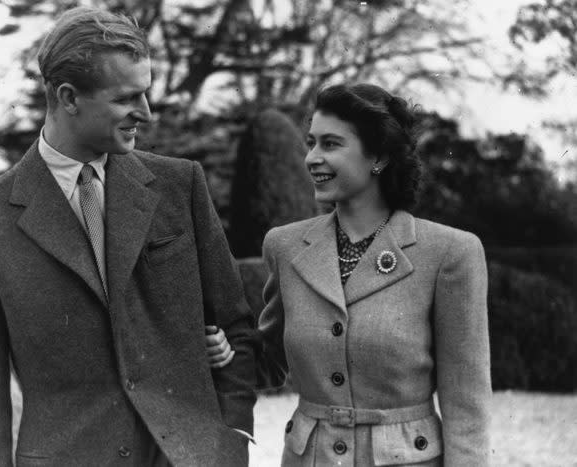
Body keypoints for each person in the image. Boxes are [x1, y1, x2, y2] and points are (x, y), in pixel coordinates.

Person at [0, 7, 256, 466]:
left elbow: (237, 329)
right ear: (69, 97)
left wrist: (230, 440)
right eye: (127, 98)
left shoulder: (180, 186)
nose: (146, 113)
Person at [206, 83, 491, 466]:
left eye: (330, 144)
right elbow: (271, 362)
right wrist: (225, 353)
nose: (311, 158)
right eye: (311, 143)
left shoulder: (450, 253)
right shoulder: (284, 246)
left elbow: (466, 403)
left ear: (378, 156)